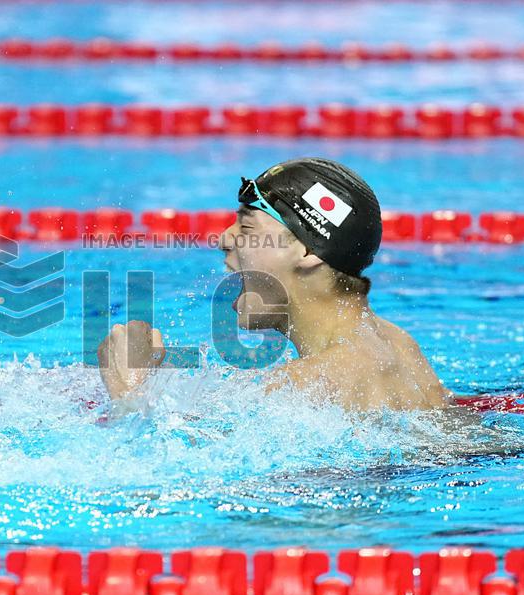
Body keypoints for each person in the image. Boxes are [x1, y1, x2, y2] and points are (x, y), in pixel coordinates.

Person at [97, 157, 452, 414]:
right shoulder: (400, 347)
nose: (223, 239)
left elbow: (162, 479)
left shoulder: (310, 385)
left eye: (247, 228)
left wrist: (129, 395)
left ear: (308, 250)